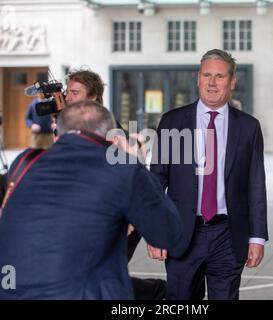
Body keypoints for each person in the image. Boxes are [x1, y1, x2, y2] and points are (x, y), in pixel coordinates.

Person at [0, 100, 182, 300]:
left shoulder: (25, 161)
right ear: (112, 138)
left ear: (58, 132)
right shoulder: (122, 170)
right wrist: (133, 162)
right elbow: (169, 235)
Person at [149, 49, 268, 300]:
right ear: (198, 78)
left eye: (220, 76)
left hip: (229, 234)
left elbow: (255, 184)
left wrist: (257, 237)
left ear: (232, 81)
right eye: (207, 75)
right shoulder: (173, 122)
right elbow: (157, 180)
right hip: (182, 233)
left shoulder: (248, 127)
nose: (212, 83)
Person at [65, 69, 167, 299]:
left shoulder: (110, 131)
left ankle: (157, 292)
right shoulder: (70, 128)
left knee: (99, 276)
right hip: (93, 217)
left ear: (92, 97)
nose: (68, 97)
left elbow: (133, 175)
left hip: (122, 217)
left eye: (74, 92)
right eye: (67, 92)